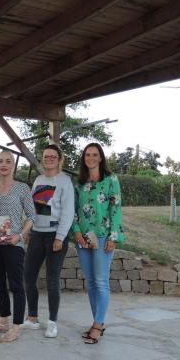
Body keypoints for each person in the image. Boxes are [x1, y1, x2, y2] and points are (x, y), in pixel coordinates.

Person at [72, 143, 126, 344]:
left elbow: (116, 209)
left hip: (103, 237)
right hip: (84, 239)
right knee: (92, 282)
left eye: (95, 154)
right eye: (88, 154)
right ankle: (98, 322)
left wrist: (113, 236)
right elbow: (74, 210)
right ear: (84, 158)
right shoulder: (79, 183)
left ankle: (98, 324)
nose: (91, 158)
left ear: (101, 157)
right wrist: (76, 232)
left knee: (101, 281)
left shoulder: (111, 180)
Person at [0, 150, 36, 343]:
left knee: (16, 285)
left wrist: (20, 235)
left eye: (7, 161)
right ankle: (3, 320)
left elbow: (32, 216)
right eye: (0, 161)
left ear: (13, 165)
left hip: (14, 244)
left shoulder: (22, 188)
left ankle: (16, 326)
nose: (3, 164)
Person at [22, 145, 74, 338]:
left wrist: (60, 236)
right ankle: (33, 318)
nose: (49, 159)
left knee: (52, 281)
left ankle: (52, 322)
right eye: (46, 156)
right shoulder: (38, 180)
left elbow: (68, 212)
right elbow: (32, 209)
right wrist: (27, 230)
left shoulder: (65, 181)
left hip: (55, 236)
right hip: (36, 234)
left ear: (60, 159)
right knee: (28, 277)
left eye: (53, 156)